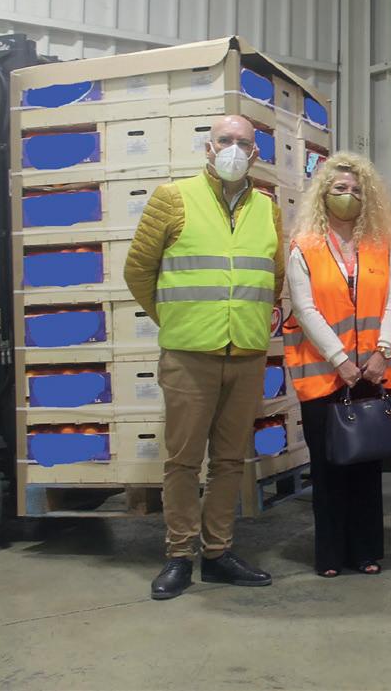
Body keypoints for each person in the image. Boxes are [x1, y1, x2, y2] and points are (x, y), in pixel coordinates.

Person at [124, 114, 283, 600]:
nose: (234, 148)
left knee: (230, 461)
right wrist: (175, 318)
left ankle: (217, 553)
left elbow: (274, 276)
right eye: (225, 140)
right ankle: (179, 555)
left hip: (246, 353)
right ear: (208, 148)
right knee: (184, 461)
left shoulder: (268, 208)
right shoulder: (173, 198)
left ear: (255, 153)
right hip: (189, 355)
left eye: (243, 142)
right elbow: (138, 270)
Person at [284, 151, 391, 576]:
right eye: (339, 188)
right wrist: (340, 360)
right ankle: (331, 556)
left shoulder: (380, 244)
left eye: (355, 189)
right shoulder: (304, 246)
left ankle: (366, 551)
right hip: (323, 376)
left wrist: (382, 351)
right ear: (323, 194)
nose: (348, 195)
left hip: (372, 371)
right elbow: (305, 308)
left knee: (367, 466)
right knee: (328, 467)